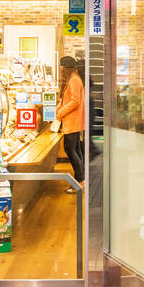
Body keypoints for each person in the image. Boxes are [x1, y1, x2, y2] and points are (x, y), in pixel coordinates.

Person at [55, 55, 86, 193]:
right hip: (74, 121)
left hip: (72, 121)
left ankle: (79, 181)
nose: (61, 70)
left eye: (62, 68)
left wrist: (60, 112)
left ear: (66, 68)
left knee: (70, 150)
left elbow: (75, 101)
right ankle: (81, 180)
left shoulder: (74, 80)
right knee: (76, 151)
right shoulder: (74, 79)